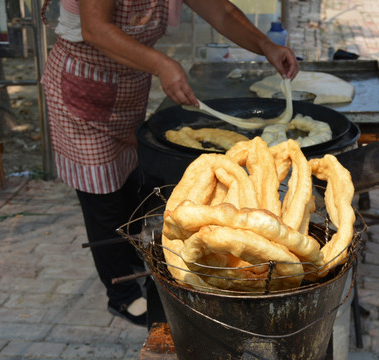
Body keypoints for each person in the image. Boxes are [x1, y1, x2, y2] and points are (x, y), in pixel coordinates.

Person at [40, 0, 299, 327]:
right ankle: (121, 296)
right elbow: (96, 28)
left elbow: (221, 11)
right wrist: (162, 64)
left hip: (129, 89)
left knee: (131, 186)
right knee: (102, 197)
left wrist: (266, 45)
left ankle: (135, 259)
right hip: (83, 91)